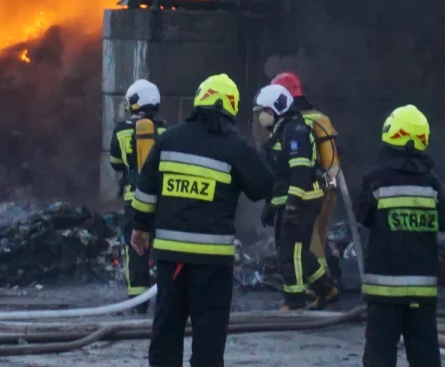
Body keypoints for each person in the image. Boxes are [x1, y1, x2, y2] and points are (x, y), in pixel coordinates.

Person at [131, 73, 273, 367]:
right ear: (231, 107)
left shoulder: (168, 138)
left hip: (171, 259)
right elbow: (263, 186)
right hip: (212, 263)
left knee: (167, 329)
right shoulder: (235, 146)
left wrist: (140, 228)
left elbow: (145, 189)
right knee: (209, 334)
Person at [355, 105, 444, 367]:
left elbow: (363, 216)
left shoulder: (375, 179)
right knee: (425, 351)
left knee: (380, 352)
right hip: (422, 290)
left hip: (384, 289)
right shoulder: (433, 184)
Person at [256, 83, 339, 310]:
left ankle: (294, 302)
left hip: (303, 200)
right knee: (298, 251)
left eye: (264, 111)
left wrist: (292, 205)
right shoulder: (283, 130)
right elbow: (281, 178)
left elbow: (300, 173)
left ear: (275, 109)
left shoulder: (296, 132)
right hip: (293, 200)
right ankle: (326, 290)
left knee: (289, 252)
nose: (261, 116)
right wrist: (272, 205)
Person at [270, 72, 340, 274]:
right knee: (319, 236)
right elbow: (333, 161)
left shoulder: (294, 122)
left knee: (309, 241)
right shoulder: (320, 118)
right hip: (327, 188)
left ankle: (320, 286)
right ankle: (325, 282)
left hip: (307, 191)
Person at [109, 78, 166, 310]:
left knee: (136, 248)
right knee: (162, 247)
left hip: (134, 200)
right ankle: (166, 297)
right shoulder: (165, 131)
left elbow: (115, 163)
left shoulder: (121, 131)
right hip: (162, 200)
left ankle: (138, 301)